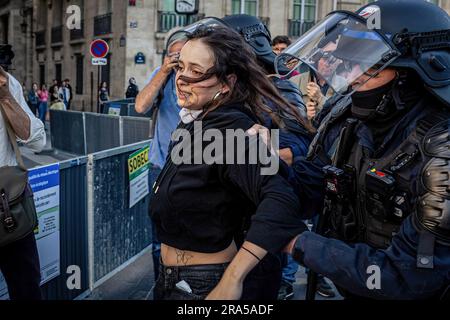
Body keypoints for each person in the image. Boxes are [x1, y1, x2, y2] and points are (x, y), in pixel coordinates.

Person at [276, 0, 450, 300]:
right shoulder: (348, 118)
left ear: (412, 73)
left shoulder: (442, 146)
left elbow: (408, 278)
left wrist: (296, 243)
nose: (353, 75)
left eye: (369, 65)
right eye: (350, 60)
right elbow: (307, 188)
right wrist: (253, 166)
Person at [150, 25, 308, 301]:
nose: (182, 79)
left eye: (196, 71)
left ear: (226, 83)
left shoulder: (233, 130)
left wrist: (233, 279)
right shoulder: (196, 121)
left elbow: (282, 201)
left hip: (206, 285)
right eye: (180, 67)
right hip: (174, 280)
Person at [222, 14, 329, 300]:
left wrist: (245, 157)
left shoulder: (277, 87)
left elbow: (300, 145)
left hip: (256, 222)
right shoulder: (226, 90)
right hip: (222, 224)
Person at [136, 19, 224, 283]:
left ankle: (188, 285)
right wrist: (164, 72)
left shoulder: (204, 81)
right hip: (161, 167)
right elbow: (140, 106)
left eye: (188, 59)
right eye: (176, 58)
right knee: (159, 239)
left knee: (193, 235)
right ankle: (162, 286)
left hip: (194, 169)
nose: (182, 68)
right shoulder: (161, 76)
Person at [0, 66, 45, 300]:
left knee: (26, 289)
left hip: (9, 207)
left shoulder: (7, 83)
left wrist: (6, 97)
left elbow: (37, 142)